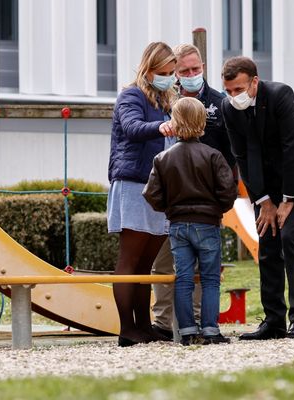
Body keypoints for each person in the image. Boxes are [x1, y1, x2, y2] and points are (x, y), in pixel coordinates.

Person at [221, 56, 294, 340]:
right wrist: (264, 202)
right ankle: (274, 321)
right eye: (229, 91)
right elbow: (242, 157)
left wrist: (287, 200)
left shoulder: (280, 95)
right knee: (268, 245)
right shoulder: (229, 108)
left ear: (254, 82)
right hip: (268, 190)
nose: (234, 97)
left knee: (291, 238)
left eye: (239, 89)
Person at [150, 43, 236, 340]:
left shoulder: (220, 104)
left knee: (185, 276)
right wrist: (219, 206)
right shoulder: (162, 100)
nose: (190, 75)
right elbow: (227, 186)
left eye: (195, 69)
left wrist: (169, 207)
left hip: (178, 219)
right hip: (205, 217)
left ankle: (187, 330)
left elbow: (153, 191)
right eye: (184, 71)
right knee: (209, 276)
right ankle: (204, 328)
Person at [107, 41, 178, 347]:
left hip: (157, 186)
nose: (169, 77)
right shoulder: (131, 95)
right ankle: (127, 328)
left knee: (145, 265)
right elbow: (132, 127)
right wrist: (162, 127)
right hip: (134, 184)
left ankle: (143, 326)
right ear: (148, 70)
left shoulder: (166, 99)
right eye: (163, 72)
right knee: (130, 261)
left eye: (171, 72)